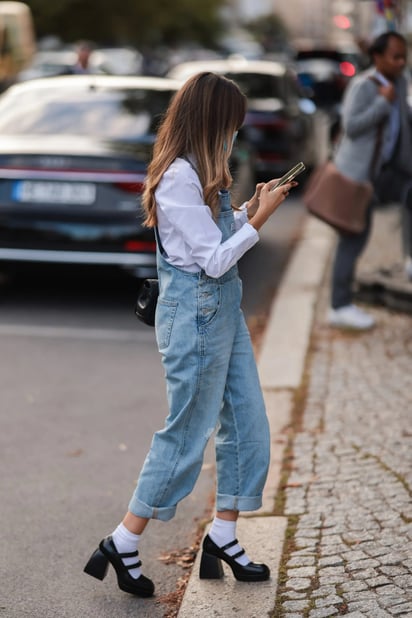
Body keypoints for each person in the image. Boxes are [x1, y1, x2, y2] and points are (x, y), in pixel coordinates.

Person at [83, 72, 297, 597]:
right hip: (195, 318)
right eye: (232, 126)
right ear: (211, 123)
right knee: (186, 434)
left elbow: (212, 240)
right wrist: (260, 222)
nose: (236, 136)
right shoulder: (178, 177)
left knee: (247, 424)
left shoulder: (204, 173)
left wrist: (247, 210)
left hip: (223, 312)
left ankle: (223, 536)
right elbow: (214, 260)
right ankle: (122, 541)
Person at [328, 31, 412, 330]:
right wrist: (381, 103)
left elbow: (402, 122)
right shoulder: (363, 85)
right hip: (358, 176)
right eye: (395, 56)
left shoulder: (400, 82)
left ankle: (409, 260)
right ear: (377, 57)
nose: (401, 62)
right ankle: (339, 306)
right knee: (354, 237)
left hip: (389, 170)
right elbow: (351, 126)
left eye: (404, 56)